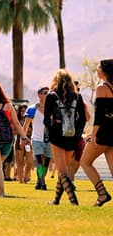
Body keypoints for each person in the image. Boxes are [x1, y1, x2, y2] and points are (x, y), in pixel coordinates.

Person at [43, 69, 87, 205]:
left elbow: (46, 119)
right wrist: (77, 134)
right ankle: (56, 200)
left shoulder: (51, 96)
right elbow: (83, 118)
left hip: (57, 137)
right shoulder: (77, 96)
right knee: (64, 170)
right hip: (72, 136)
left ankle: (73, 200)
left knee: (62, 172)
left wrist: (52, 130)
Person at [80, 59, 113, 207]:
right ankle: (102, 195)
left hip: (103, 133)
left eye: (99, 68)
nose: (97, 70)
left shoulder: (102, 88)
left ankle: (102, 194)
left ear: (105, 71)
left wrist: (92, 135)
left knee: (85, 162)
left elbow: (99, 116)